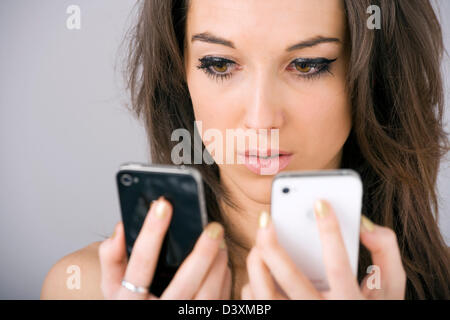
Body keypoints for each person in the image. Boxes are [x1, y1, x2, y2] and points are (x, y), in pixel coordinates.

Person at [41, 0, 450, 300]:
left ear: (374, 77)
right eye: (219, 63)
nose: (260, 119)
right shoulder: (85, 286)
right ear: (180, 73)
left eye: (307, 65)